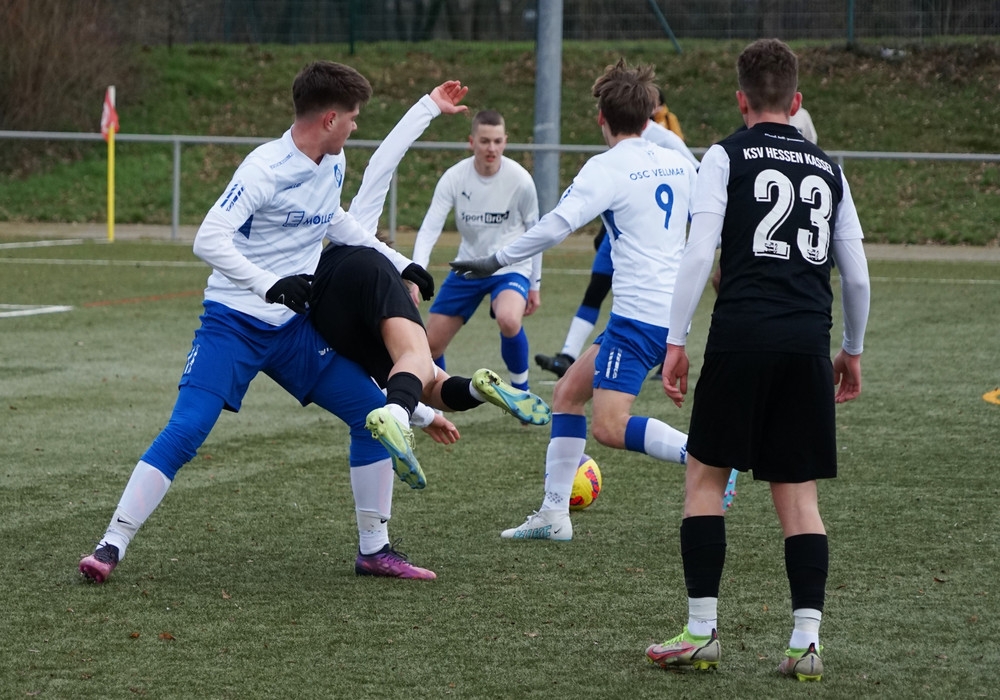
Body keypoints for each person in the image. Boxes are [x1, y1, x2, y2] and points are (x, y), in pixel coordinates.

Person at [78, 64, 479, 585]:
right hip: (232, 324)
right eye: (352, 118)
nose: (355, 126)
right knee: (187, 429)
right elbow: (208, 238)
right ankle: (111, 544)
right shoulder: (263, 168)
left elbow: (333, 219)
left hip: (293, 331)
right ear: (329, 119)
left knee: (372, 418)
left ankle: (374, 551)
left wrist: (400, 262)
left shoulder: (332, 161)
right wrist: (268, 285)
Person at [646, 39, 870, 681]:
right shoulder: (829, 168)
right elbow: (856, 275)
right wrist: (851, 350)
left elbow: (698, 253)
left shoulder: (724, 155)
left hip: (741, 337)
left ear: (741, 101)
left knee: (705, 477)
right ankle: (806, 643)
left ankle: (700, 632)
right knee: (797, 495)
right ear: (796, 102)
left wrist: (676, 340)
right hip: (806, 344)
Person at [451, 59, 696, 541]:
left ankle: (706, 455)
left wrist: (497, 259)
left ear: (602, 118)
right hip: (665, 313)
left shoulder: (606, 167)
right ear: (649, 116)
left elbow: (555, 226)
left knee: (609, 426)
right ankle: (554, 515)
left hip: (640, 317)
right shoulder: (679, 161)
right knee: (566, 394)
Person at [309, 101, 552, 491]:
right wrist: (428, 106)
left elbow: (388, 385)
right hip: (375, 279)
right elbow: (385, 159)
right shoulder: (359, 229)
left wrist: (426, 416)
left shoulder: (310, 239)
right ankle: (460, 394)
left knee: (422, 381)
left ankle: (464, 393)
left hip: (323, 314)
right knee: (422, 364)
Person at [534, 89, 699, 380]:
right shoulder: (617, 148)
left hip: (649, 236)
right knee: (596, 289)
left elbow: (695, 173)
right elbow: (617, 190)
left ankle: (664, 351)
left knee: (645, 297)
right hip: (619, 232)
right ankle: (568, 355)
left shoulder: (666, 139)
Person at [411, 109, 541, 393]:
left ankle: (521, 392)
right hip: (468, 266)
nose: (491, 148)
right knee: (430, 345)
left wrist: (535, 284)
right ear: (472, 142)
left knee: (508, 319)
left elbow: (536, 234)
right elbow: (430, 227)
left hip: (509, 266)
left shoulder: (520, 180)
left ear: (505, 141)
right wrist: (416, 273)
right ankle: (441, 399)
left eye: (497, 141)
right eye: (484, 141)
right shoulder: (455, 177)